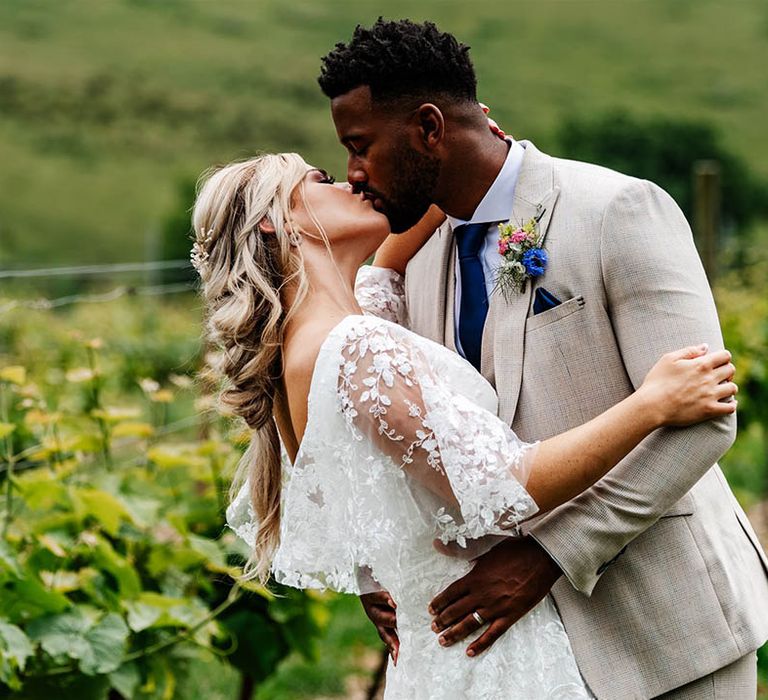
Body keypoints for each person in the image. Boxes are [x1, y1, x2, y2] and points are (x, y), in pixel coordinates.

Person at [317, 18, 768, 698]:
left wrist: (551, 554)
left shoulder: (616, 209)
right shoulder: (419, 261)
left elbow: (704, 419)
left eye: (360, 147)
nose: (354, 174)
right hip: (522, 657)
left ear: (429, 127)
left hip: (665, 628)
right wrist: (385, 568)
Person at [192, 152, 738, 698]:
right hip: (495, 650)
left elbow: (385, 266)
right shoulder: (354, 347)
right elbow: (508, 485)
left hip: (440, 649)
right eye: (321, 181)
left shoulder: (324, 333)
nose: (351, 179)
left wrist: (443, 156)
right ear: (276, 220)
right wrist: (651, 403)